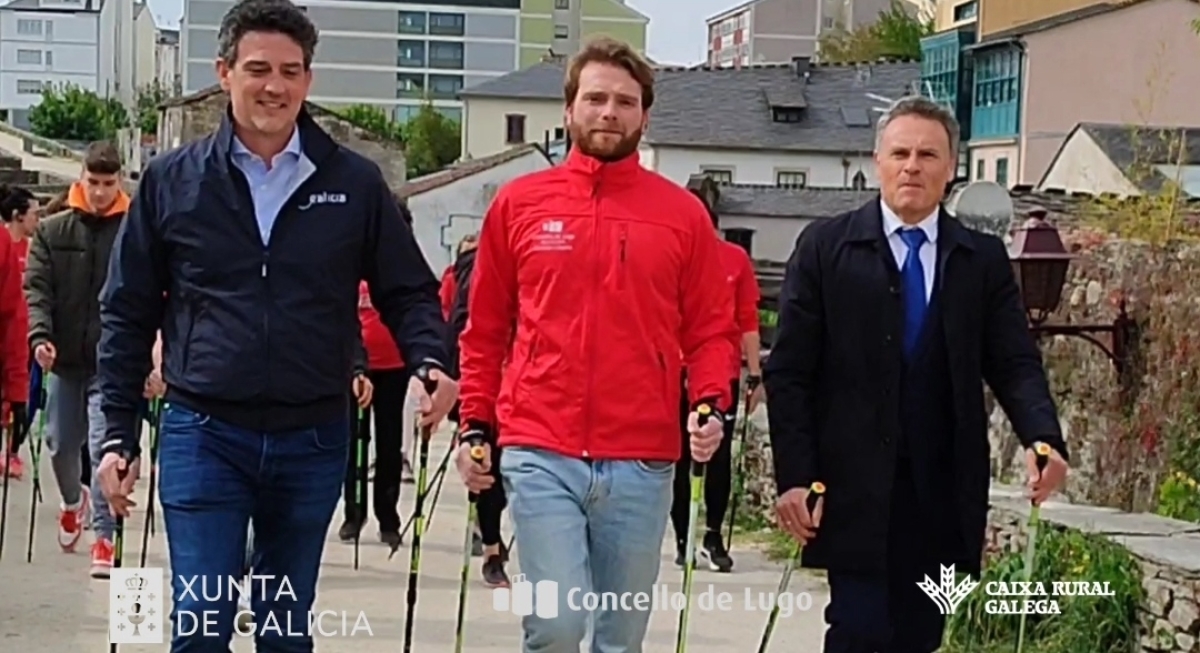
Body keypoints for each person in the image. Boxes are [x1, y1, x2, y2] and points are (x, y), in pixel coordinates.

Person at [93, 1, 457, 650]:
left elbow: (410, 290)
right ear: (224, 71)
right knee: (201, 625)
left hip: (312, 437)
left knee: (284, 630)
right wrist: (118, 434)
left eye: (292, 70)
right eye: (258, 68)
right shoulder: (172, 182)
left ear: (308, 80)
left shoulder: (354, 183)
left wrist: (432, 359)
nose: (275, 85)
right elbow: (126, 310)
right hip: (203, 431)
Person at [453, 36, 737, 652]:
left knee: (619, 638)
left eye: (625, 102)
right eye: (596, 99)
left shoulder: (682, 215)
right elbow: (485, 331)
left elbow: (711, 329)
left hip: (641, 459)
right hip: (539, 448)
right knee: (556, 626)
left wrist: (711, 402)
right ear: (569, 109)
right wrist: (474, 422)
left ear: (645, 115)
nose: (609, 112)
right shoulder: (519, 205)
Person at [763, 95, 1071, 653]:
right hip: (850, 485)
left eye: (928, 154)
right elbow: (789, 372)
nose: (913, 166)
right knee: (858, 629)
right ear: (877, 160)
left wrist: (1042, 436)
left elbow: (1014, 361)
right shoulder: (826, 248)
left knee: (920, 636)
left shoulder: (980, 260)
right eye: (900, 153)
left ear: (952, 168)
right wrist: (795, 476)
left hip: (943, 489)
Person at [24, 142, 129, 575]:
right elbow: (37, 290)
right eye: (94, 182)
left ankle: (104, 536)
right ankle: (73, 500)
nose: (101, 192)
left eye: (109, 183)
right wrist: (40, 337)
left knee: (108, 447)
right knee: (61, 443)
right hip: (65, 358)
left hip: (114, 360)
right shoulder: (53, 231)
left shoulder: (135, 229)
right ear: (80, 178)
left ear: (118, 181)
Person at [669, 199, 761, 573]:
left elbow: (748, 320)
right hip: (675, 370)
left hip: (722, 372)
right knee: (679, 457)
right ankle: (681, 537)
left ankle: (713, 533)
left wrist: (755, 374)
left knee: (717, 456)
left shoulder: (735, 260)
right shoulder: (672, 258)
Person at [444, 233, 509, 586]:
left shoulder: (455, 277)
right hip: (498, 383)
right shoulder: (490, 276)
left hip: (478, 382)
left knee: (484, 464)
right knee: (489, 469)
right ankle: (491, 547)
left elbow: (449, 321)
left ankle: (489, 547)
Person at [339, 276, 407, 548]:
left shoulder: (394, 277)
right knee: (355, 443)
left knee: (389, 445)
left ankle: (388, 518)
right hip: (358, 371)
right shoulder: (352, 274)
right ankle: (354, 514)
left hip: (393, 368)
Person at [0, 184, 38, 479]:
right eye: (33, 214)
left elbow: (14, 315)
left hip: (23, 341)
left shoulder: (25, 249)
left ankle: (11, 452)